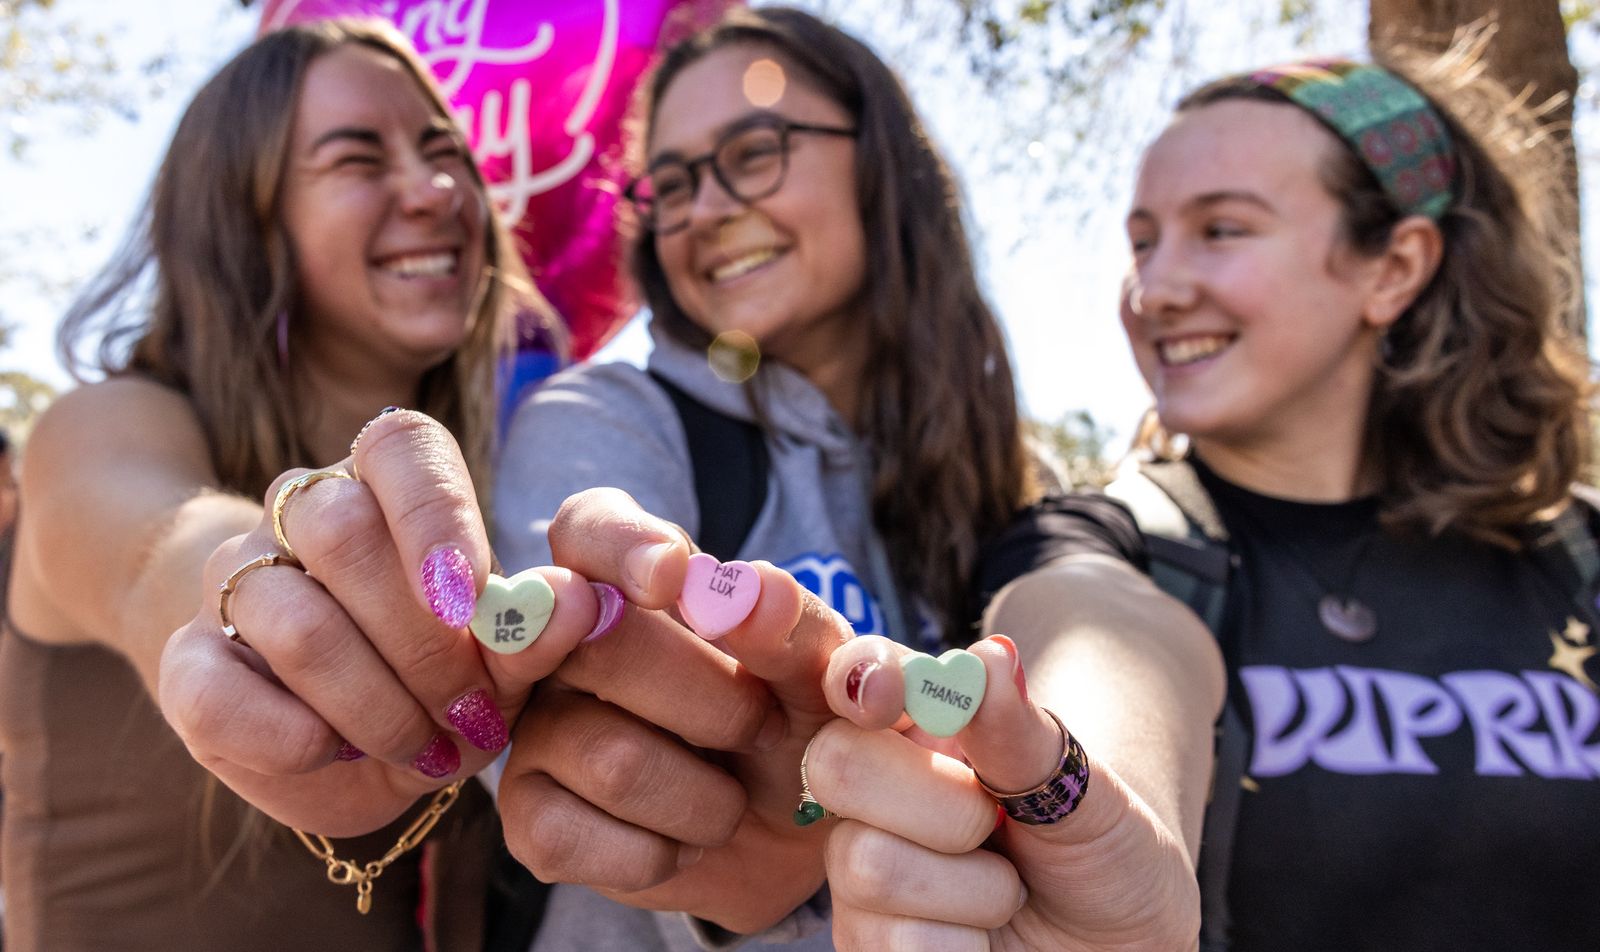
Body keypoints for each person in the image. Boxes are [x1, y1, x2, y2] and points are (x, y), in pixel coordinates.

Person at [801, 40, 1600, 952]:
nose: (1156, 289)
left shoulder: (1579, 557)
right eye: (1143, 241)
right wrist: (1091, 820)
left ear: (1394, 267)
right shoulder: (1109, 544)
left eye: (1222, 230)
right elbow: (1098, 645)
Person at [487, 8, 1224, 951]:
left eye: (754, 151)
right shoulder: (608, 422)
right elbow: (564, 750)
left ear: (884, 164)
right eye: (670, 184)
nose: (706, 208)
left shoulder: (1009, 484)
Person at [0, 19, 557, 951]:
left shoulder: (501, 483)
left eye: (444, 150)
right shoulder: (101, 426)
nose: (435, 191)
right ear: (244, 216)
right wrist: (256, 594)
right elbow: (158, 554)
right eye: (356, 160)